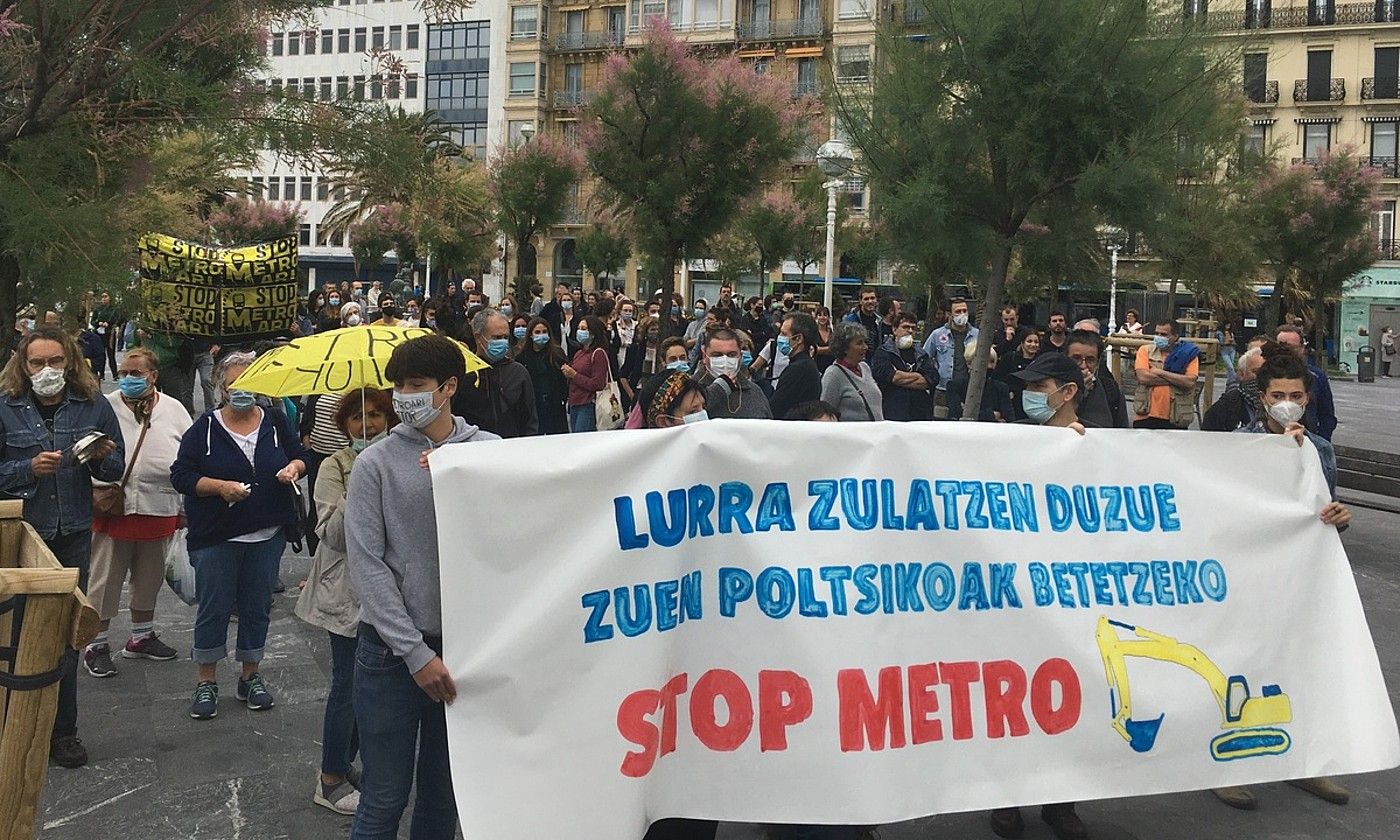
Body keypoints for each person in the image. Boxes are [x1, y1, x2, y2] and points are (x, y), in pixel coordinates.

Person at [346, 335, 500, 840]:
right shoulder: (374, 465)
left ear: (448, 387)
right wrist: (414, 654)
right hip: (389, 654)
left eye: (416, 385)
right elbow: (368, 567)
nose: (402, 396)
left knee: (443, 794)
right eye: (398, 386)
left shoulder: (489, 453)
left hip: (464, 648)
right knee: (383, 796)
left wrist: (460, 475)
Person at [1212, 345, 1352, 813]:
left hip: (1301, 580)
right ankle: (1228, 767)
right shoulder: (1237, 445)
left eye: (1295, 394)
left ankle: (1308, 763)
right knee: (1239, 666)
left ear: (1307, 399)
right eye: (1278, 394)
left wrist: (1339, 516)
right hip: (1247, 577)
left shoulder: (1321, 450)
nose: (1287, 401)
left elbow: (1327, 511)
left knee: (1304, 664)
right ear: (1263, 397)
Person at [0, 327, 124, 768]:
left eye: (55, 361)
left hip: (72, 532)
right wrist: (27, 468)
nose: (47, 370)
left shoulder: (93, 405)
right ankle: (13, 725)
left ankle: (63, 731)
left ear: (70, 362)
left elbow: (116, 465)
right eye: (38, 363)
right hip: (21, 535)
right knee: (13, 633)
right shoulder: (6, 406)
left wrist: (100, 455)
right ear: (23, 365)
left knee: (69, 632)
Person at [170, 350, 308, 720]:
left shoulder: (276, 421)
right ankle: (206, 679)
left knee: (256, 607)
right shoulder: (206, 429)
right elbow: (181, 475)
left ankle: (251, 675)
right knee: (213, 608)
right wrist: (217, 487)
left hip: (267, 533)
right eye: (234, 385)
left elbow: (300, 455)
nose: (242, 391)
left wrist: (294, 467)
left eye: (249, 384)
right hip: (218, 536)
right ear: (222, 388)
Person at [296, 389, 396, 816]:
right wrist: (358, 484)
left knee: (374, 687)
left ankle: (345, 760)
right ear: (344, 426)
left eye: (375, 415)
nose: (367, 425)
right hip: (347, 592)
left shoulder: (400, 459)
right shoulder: (334, 468)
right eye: (357, 417)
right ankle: (330, 776)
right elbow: (332, 536)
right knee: (347, 685)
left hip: (390, 591)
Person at [83, 348, 193, 679]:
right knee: (105, 579)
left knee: (150, 576)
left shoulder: (174, 409)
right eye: (124, 372)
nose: (129, 378)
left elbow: (188, 451)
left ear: (153, 375)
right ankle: (96, 643)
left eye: (136, 372)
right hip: (113, 506)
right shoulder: (105, 406)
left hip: (160, 507)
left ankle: (141, 636)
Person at [452, 308, 538, 438]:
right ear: (478, 337)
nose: (503, 342)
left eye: (506, 337)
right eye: (497, 337)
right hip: (474, 449)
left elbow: (530, 419)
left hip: (510, 448)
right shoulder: (465, 373)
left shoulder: (518, 372)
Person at [1272, 325, 1337, 441]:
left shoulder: (1317, 377)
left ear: (1302, 348)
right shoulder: (1264, 375)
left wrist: (1319, 441)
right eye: (1282, 346)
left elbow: (1327, 415)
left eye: (1292, 348)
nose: (1287, 352)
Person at [871, 312, 938, 421]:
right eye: (905, 327)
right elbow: (891, 376)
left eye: (913, 328)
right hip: (893, 412)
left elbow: (932, 378)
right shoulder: (883, 352)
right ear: (894, 330)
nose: (910, 331)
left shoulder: (921, 354)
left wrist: (901, 379)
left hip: (919, 414)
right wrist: (917, 375)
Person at [1133, 321, 1198, 430]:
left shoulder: (1188, 355)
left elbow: (1189, 382)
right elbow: (1143, 378)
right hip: (1145, 415)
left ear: (1175, 337)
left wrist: (1160, 372)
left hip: (1176, 417)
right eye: (1157, 333)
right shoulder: (1145, 351)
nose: (1159, 337)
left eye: (1163, 335)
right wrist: (1177, 378)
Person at [922, 298, 978, 419]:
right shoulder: (937, 335)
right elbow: (924, 358)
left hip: (968, 390)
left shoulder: (977, 335)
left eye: (965, 310)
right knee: (940, 422)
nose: (962, 314)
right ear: (950, 314)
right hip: (943, 389)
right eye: (958, 311)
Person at [699, 328, 771, 419]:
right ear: (705, 356)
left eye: (731, 355)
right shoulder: (690, 390)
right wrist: (716, 391)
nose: (725, 360)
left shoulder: (755, 391)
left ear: (740, 356)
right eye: (717, 355)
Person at [1066, 330, 1130, 429]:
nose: (1083, 366)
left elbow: (1122, 431)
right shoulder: (1052, 388)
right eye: (1076, 358)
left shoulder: (1110, 390)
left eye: (1090, 360)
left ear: (1098, 362)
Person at [821, 322, 884, 422]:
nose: (865, 347)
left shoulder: (865, 368)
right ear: (845, 348)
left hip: (875, 434)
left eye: (865, 342)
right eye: (859, 343)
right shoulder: (833, 375)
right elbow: (826, 414)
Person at [517, 317, 569, 435]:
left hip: (555, 405)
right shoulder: (522, 357)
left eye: (544, 332)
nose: (541, 335)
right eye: (537, 332)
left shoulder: (557, 354)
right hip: (533, 407)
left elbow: (564, 379)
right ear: (530, 334)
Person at [563, 316, 612, 433]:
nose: (580, 331)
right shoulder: (579, 353)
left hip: (588, 404)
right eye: (579, 328)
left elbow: (598, 384)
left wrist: (574, 375)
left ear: (593, 333)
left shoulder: (598, 353)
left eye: (584, 328)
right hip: (574, 403)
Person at [770, 312, 823, 420]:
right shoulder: (806, 364)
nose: (779, 338)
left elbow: (775, 409)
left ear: (798, 339)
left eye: (784, 334)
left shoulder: (798, 369)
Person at [1202, 348, 1265, 432]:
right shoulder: (1224, 408)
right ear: (1241, 374)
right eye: (1256, 372)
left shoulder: (1281, 406)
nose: (1263, 377)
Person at [947, 343, 1013, 422]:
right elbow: (957, 414)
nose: (989, 366)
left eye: (992, 361)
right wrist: (992, 415)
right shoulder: (955, 386)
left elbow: (1009, 418)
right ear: (969, 363)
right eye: (984, 362)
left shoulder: (1001, 387)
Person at [996, 331, 1040, 421]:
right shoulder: (1009, 358)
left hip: (1033, 403)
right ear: (1022, 343)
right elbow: (997, 377)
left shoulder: (1041, 361)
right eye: (1029, 341)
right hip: (1012, 403)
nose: (1033, 344)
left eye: (1036, 342)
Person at [90, 291, 123, 380]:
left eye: (106, 296)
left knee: (111, 354)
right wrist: (98, 323)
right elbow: (92, 321)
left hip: (109, 334)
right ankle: (101, 374)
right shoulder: (98, 309)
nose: (104, 299)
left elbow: (118, 320)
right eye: (102, 297)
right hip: (99, 333)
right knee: (101, 354)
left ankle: (115, 374)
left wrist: (109, 324)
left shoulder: (114, 309)